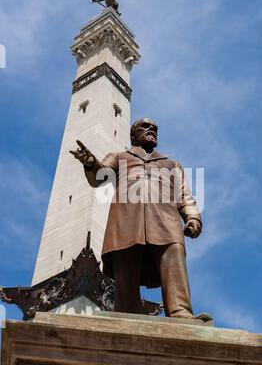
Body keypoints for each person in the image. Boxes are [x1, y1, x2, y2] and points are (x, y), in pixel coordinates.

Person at [70, 118, 212, 322]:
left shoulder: (172, 164)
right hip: (126, 218)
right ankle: (126, 315)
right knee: (126, 264)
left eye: (154, 129)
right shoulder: (119, 157)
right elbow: (100, 177)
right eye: (145, 127)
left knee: (173, 258)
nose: (151, 130)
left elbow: (185, 195)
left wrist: (192, 216)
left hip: (166, 219)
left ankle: (181, 312)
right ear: (133, 135)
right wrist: (91, 163)